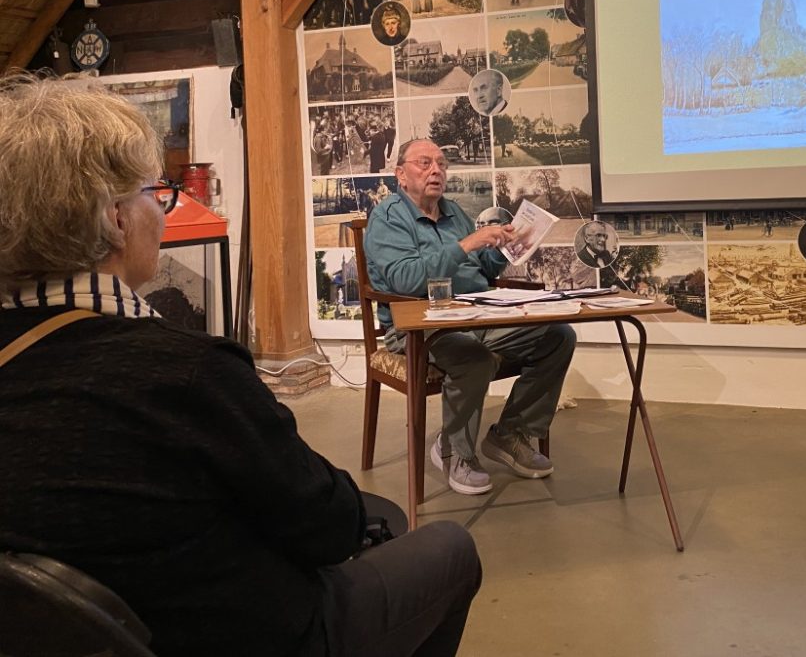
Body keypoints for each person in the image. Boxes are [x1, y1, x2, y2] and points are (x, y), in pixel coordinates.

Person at [0, 75, 480, 657]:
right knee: (451, 548)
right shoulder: (187, 372)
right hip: (249, 636)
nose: (164, 209)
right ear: (116, 220)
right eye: (155, 193)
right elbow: (324, 523)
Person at [363, 139, 575, 496]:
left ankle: (509, 434)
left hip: (478, 315)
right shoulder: (387, 219)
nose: (436, 171)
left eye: (442, 164)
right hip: (422, 328)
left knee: (558, 335)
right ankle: (455, 452)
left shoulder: (453, 212)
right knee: (473, 358)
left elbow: (481, 268)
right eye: (425, 163)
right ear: (401, 174)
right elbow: (405, 280)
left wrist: (508, 246)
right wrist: (468, 243)